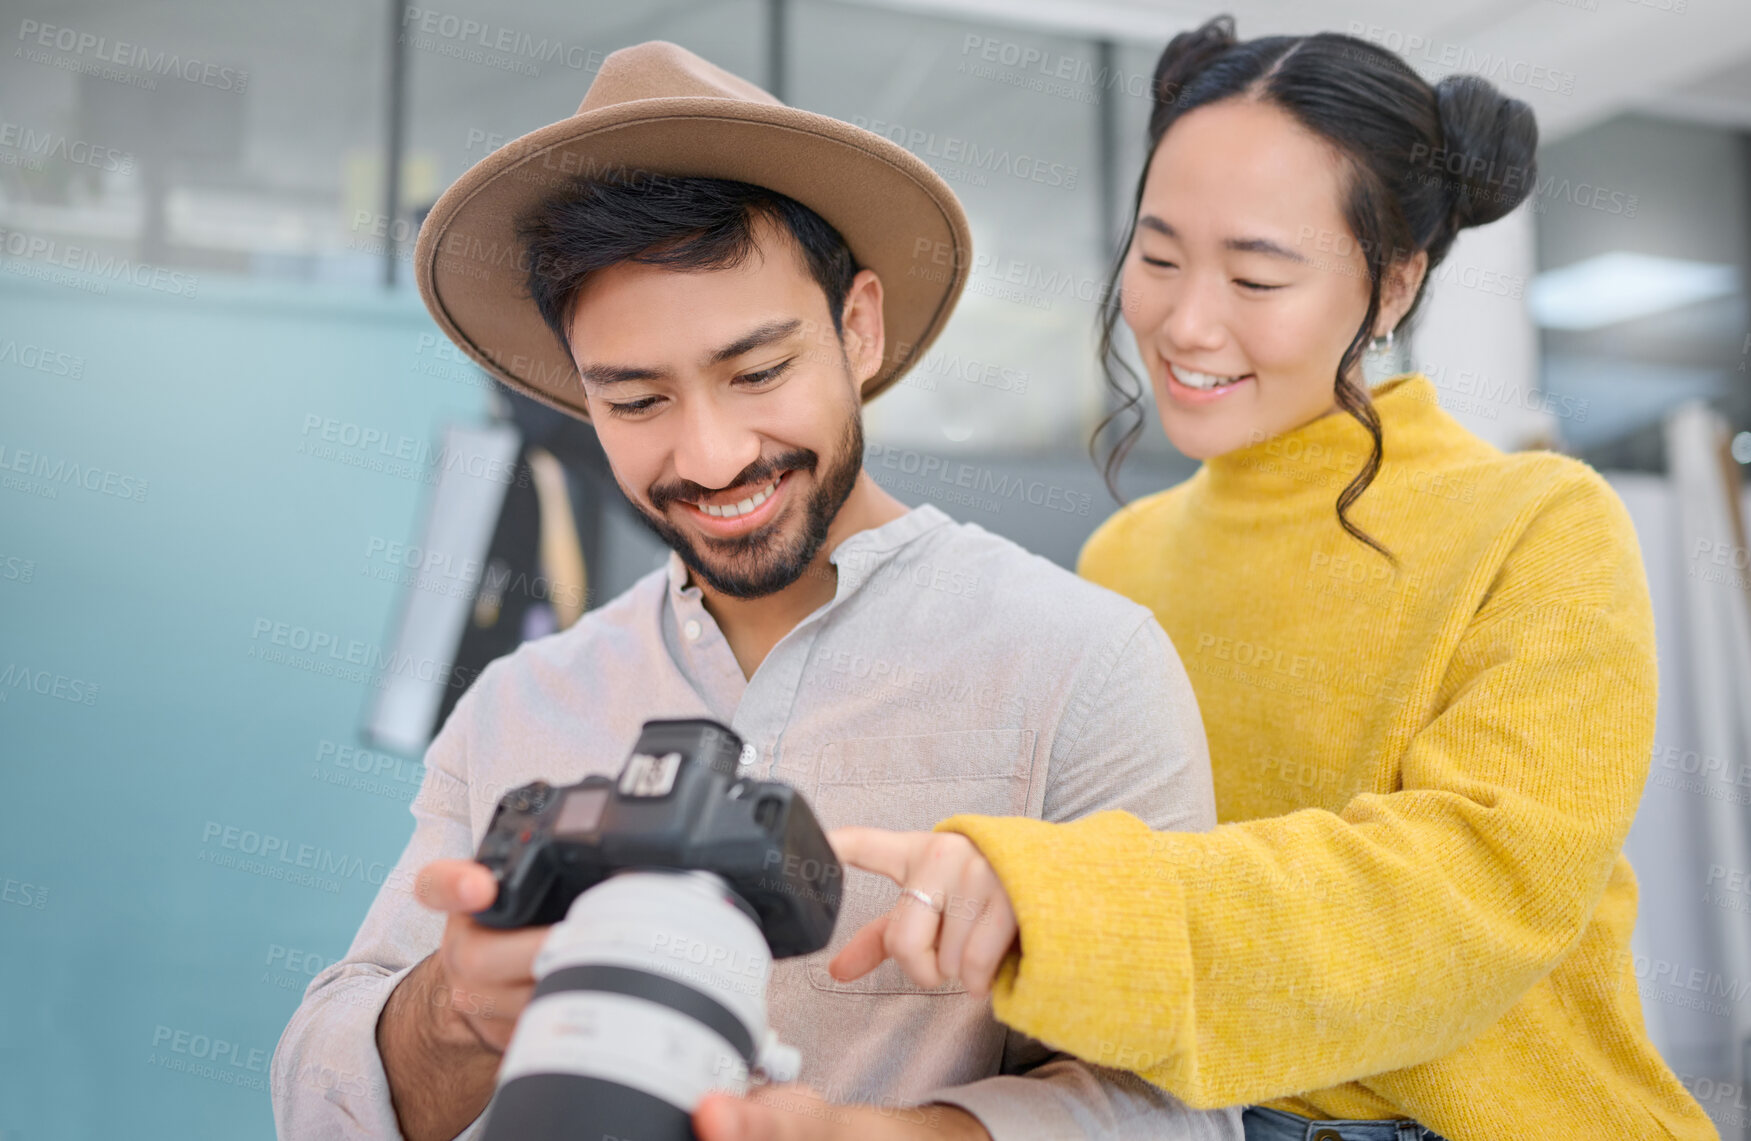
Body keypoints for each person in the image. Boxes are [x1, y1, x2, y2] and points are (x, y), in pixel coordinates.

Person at [269, 41, 1242, 1141]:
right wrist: (456, 1008)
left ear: (857, 327)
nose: (713, 453)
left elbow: (1174, 1114)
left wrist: (873, 1135)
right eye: (635, 399)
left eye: (758, 372)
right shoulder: (518, 702)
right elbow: (317, 1102)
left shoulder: (1081, 667)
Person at [822, 17, 1719, 1141]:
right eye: (1155, 256)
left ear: (1391, 286)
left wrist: (1070, 906)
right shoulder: (1125, 557)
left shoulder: (1538, 526)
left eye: (1255, 273)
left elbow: (1470, 897)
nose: (1183, 320)